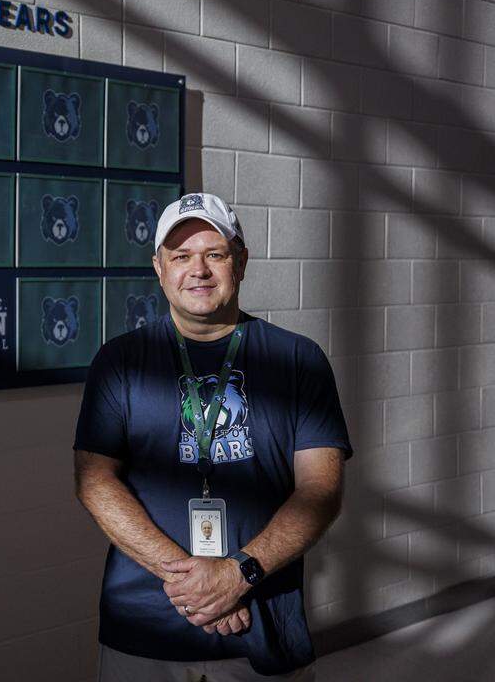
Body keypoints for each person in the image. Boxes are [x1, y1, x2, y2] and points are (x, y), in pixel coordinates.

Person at [73, 192, 352, 680]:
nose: (197, 270)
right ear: (159, 268)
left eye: (214, 254)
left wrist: (237, 573)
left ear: (240, 262)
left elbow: (321, 489)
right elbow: (94, 482)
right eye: (180, 256)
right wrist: (199, 584)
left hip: (260, 622)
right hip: (144, 626)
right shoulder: (119, 362)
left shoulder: (297, 360)